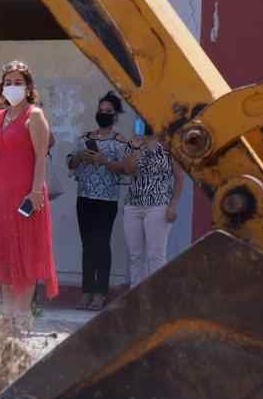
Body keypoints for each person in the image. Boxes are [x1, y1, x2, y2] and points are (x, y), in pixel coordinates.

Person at [0, 60, 58, 329]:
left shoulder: (34, 115)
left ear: (28, 87)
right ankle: (8, 314)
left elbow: (41, 156)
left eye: (18, 82)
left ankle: (22, 316)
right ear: (2, 87)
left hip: (26, 193)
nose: (13, 87)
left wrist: (36, 191)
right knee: (3, 252)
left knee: (25, 253)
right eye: (8, 82)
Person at [67, 91, 130, 310]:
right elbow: (71, 163)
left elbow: (125, 168)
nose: (104, 114)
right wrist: (79, 157)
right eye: (101, 111)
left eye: (108, 112)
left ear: (115, 115)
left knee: (102, 245)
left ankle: (100, 293)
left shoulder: (120, 142)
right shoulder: (85, 138)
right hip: (84, 198)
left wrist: (104, 160)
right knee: (88, 245)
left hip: (107, 200)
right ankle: (87, 291)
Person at [113, 117, 184, 287]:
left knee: (156, 254)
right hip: (133, 204)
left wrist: (173, 204)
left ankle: (157, 296)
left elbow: (179, 178)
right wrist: (136, 149)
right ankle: (136, 295)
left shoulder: (170, 146)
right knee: (135, 255)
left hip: (159, 205)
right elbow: (128, 170)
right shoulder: (134, 143)